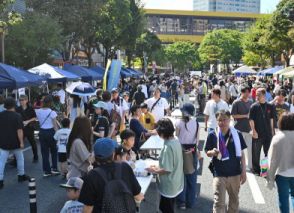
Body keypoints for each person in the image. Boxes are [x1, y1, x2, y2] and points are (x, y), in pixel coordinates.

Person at [79, 138, 144, 213]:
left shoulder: (92, 175)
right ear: (113, 154)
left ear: (95, 156)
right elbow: (137, 196)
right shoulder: (125, 167)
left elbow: (87, 209)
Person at [205, 110, 247, 213]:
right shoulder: (212, 134)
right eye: (219, 120)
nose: (222, 122)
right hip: (219, 173)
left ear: (230, 120)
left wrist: (244, 171)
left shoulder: (237, 134)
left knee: (234, 202)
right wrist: (212, 152)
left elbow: (242, 154)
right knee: (219, 203)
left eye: (225, 120)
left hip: (235, 173)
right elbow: (207, 152)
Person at [146, 118, 184, 213]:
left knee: (166, 209)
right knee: (171, 207)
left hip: (168, 184)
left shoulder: (168, 147)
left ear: (162, 133)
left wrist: (153, 170)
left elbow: (167, 169)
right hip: (176, 180)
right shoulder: (176, 139)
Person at [0, 97, 30, 189]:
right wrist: (21, 142)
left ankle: (0, 180)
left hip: (3, 141)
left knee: (1, 161)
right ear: (14, 105)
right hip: (15, 142)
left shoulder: (1, 115)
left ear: (5, 106)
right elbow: (19, 130)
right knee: (20, 158)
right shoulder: (17, 116)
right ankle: (21, 175)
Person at [267, 113, 294, 213]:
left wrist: (270, 177)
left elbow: (272, 160)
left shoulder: (277, 138)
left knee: (283, 198)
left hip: (281, 173)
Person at [175, 103, 200, 209]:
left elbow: (176, 137)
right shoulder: (196, 123)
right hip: (192, 151)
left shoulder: (178, 122)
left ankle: (181, 202)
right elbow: (197, 141)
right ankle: (190, 202)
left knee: (180, 178)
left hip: (181, 151)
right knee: (192, 178)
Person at [249, 88, 275, 175]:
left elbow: (271, 119)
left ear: (264, 95)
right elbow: (251, 120)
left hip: (268, 134)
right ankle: (256, 170)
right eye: (256, 94)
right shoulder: (254, 106)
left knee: (267, 153)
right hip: (257, 133)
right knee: (256, 153)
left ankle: (264, 171)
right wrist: (253, 131)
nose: (256, 96)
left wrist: (272, 132)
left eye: (258, 94)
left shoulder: (270, 106)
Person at [35, 95, 60, 177]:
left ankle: (46, 171)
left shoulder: (38, 111)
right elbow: (55, 125)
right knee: (53, 151)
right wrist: (57, 136)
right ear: (51, 103)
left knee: (44, 152)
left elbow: (38, 120)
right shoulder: (52, 112)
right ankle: (54, 168)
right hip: (51, 132)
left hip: (42, 132)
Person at [231, 85, 253, 170]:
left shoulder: (251, 102)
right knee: (239, 148)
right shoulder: (236, 102)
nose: (247, 94)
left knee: (250, 149)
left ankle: (251, 166)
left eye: (248, 92)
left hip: (249, 129)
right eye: (245, 92)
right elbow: (233, 115)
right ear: (242, 92)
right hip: (239, 129)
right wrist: (245, 116)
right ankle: (239, 165)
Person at [16, 95, 39, 162]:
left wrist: (27, 121)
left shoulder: (31, 108)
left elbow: (35, 117)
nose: (21, 101)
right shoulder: (18, 109)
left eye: (23, 100)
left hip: (29, 128)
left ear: (26, 100)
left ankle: (35, 157)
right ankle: (15, 160)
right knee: (18, 144)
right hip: (20, 129)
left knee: (33, 143)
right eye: (20, 100)